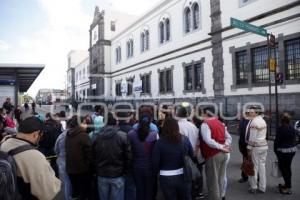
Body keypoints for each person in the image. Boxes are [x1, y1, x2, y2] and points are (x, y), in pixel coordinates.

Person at [0, 116, 61, 199]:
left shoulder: (4, 143)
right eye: (41, 136)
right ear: (36, 134)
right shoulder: (35, 157)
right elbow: (47, 193)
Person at [92, 112, 132, 200]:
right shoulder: (122, 136)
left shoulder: (97, 137)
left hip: (102, 173)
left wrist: (96, 170)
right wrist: (125, 171)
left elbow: (93, 156)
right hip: (118, 174)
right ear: (116, 122)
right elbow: (128, 156)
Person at [152, 117, 194, 200]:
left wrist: (157, 173)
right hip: (183, 175)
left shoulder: (159, 143)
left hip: (165, 176)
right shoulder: (184, 139)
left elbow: (155, 162)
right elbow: (191, 154)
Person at [200, 107, 231, 200]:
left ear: (206, 114)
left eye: (202, 113)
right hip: (224, 153)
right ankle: (221, 196)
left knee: (213, 180)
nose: (201, 115)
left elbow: (208, 140)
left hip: (213, 154)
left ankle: (215, 198)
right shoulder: (220, 123)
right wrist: (225, 145)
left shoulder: (205, 124)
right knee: (221, 177)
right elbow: (229, 137)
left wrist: (221, 146)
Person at [128, 113, 158, 200]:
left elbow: (129, 151)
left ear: (139, 122)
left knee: (139, 190)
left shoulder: (131, 134)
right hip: (150, 167)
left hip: (136, 166)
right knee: (149, 191)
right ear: (150, 122)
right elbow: (156, 152)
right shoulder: (154, 135)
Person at [65, 115, 92, 199]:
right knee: (83, 193)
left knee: (75, 192)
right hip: (82, 169)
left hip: (71, 169)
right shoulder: (84, 136)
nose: (86, 125)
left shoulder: (68, 134)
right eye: (84, 123)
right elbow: (89, 154)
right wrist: (87, 165)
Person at [115, 105, 136, 200]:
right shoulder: (133, 131)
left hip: (117, 164)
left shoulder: (114, 130)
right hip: (130, 164)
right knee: (130, 188)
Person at [246, 106, 268, 194]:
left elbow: (252, 138)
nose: (250, 113)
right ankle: (263, 187)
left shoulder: (254, 122)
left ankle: (253, 187)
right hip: (264, 146)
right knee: (262, 166)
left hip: (256, 147)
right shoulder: (263, 121)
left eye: (252, 112)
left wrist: (249, 149)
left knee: (254, 167)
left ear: (257, 113)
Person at [274, 113, 297, 195]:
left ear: (281, 120)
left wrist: (276, 151)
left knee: (284, 169)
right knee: (287, 168)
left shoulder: (281, 128)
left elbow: (277, 141)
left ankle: (287, 188)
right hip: (292, 150)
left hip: (283, 151)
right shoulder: (292, 128)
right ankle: (287, 184)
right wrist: (295, 144)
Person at [54, 119, 73, 200]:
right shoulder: (77, 135)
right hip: (74, 163)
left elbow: (56, 149)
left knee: (66, 184)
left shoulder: (61, 136)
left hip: (62, 163)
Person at [238, 111, 250, 183]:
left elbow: (240, 132)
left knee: (246, 161)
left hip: (245, 144)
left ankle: (245, 177)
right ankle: (246, 176)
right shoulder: (244, 121)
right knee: (249, 161)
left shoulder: (244, 121)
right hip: (246, 144)